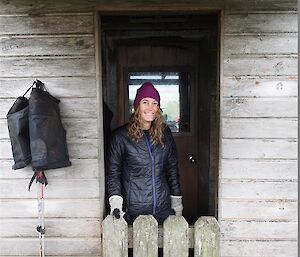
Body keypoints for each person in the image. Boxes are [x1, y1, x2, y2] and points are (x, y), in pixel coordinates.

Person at [106, 82, 183, 224]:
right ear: (137, 106)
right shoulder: (120, 137)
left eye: (155, 103)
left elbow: (172, 168)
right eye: (145, 102)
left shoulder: (165, 134)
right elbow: (113, 173)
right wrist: (115, 202)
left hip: (163, 209)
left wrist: (176, 200)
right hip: (134, 211)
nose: (150, 107)